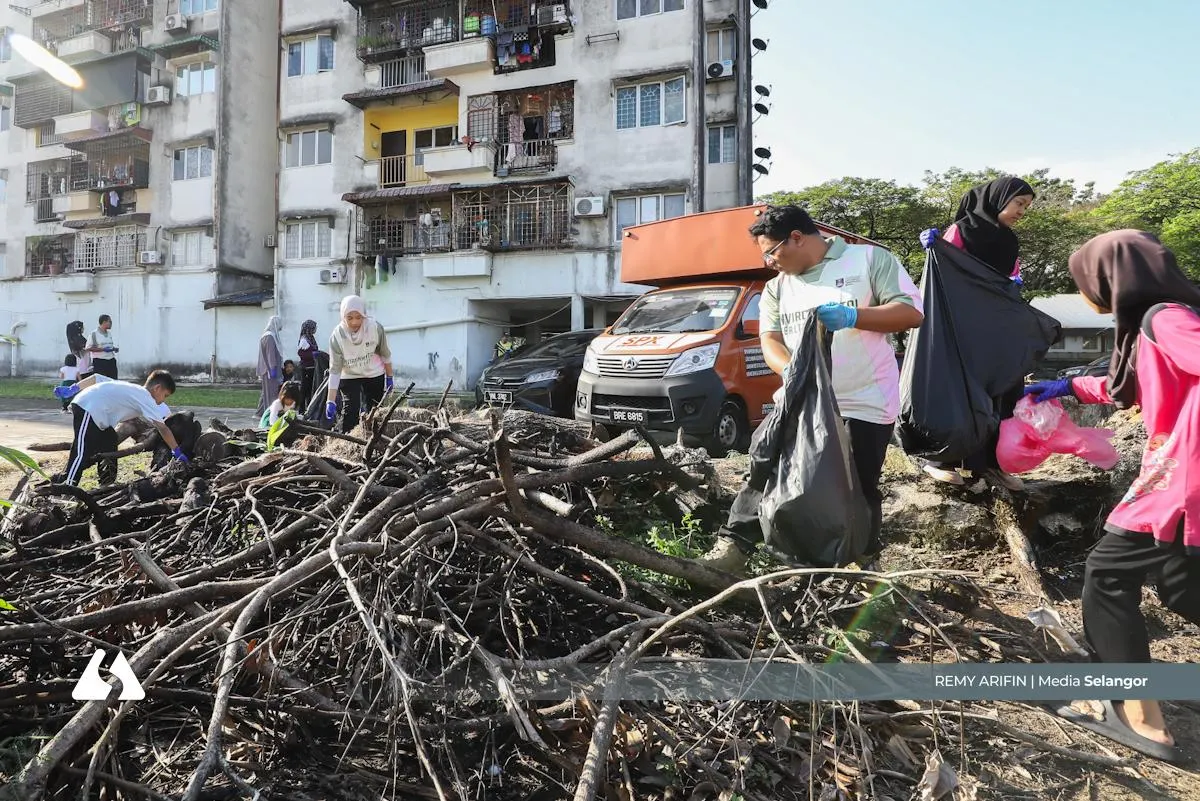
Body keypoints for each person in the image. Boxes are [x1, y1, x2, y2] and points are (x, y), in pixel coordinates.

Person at [1023, 230, 1200, 763]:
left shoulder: (1163, 318)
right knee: (1180, 585)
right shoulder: (1153, 326)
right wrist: (1064, 388)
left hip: (1183, 479)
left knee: (1108, 574)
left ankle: (1137, 716)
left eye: (1085, 281)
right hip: (1180, 473)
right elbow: (1131, 385)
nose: (1084, 294)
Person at [698, 205, 924, 573]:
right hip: (800, 399)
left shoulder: (868, 260)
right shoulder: (776, 288)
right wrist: (792, 370)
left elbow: (911, 313)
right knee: (765, 468)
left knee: (859, 484)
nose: (770, 262)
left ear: (798, 238)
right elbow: (769, 338)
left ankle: (865, 562)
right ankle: (733, 550)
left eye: (772, 252)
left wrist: (855, 316)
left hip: (865, 401)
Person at [917, 176, 1036, 491]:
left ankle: (989, 466)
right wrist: (934, 248)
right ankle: (939, 461)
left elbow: (1011, 277)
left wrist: (1013, 285)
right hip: (959, 328)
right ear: (997, 199)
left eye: (1026, 206)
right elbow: (943, 273)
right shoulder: (962, 230)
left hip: (993, 329)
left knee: (1000, 392)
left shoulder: (1010, 242)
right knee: (957, 393)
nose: (1022, 211)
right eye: (1019, 203)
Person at [51, 370, 188, 486]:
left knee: (110, 440)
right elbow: (163, 428)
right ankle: (68, 487)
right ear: (157, 388)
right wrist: (176, 451)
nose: (164, 400)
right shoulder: (146, 398)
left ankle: (107, 483)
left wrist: (73, 388)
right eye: (165, 395)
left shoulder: (132, 389)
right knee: (81, 451)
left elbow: (97, 377)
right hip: (88, 408)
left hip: (98, 416)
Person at [325, 295, 394, 432]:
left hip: (373, 372)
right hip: (349, 373)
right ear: (343, 317)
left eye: (359, 317)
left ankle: (375, 440)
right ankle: (348, 443)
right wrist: (330, 400)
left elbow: (385, 354)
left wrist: (389, 376)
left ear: (364, 315)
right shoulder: (337, 336)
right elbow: (335, 370)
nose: (355, 322)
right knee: (350, 411)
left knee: (375, 410)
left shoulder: (375, 328)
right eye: (349, 318)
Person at [256, 316, 284, 416]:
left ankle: (259, 413)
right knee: (271, 394)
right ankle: (270, 414)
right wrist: (272, 368)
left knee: (266, 393)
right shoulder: (269, 337)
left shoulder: (269, 336)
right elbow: (270, 355)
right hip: (269, 370)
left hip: (269, 369)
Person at [86, 314, 119, 379]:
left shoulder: (109, 333)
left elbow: (108, 345)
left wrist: (113, 349)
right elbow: (88, 348)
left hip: (111, 360)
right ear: (104, 322)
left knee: (113, 381)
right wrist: (103, 349)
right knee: (102, 382)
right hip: (100, 362)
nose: (111, 323)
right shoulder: (94, 334)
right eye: (110, 322)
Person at [297, 319, 320, 408]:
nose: (315, 329)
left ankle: (309, 407)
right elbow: (301, 353)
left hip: (312, 367)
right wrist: (313, 355)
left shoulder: (311, 338)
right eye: (313, 327)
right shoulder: (304, 339)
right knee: (305, 388)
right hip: (306, 368)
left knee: (311, 388)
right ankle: (302, 408)